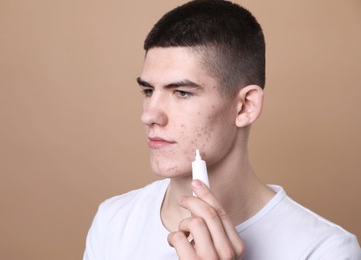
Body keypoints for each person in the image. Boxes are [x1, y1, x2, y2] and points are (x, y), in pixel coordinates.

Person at [84, 0, 361, 259]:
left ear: (244, 107)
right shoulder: (113, 220)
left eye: (181, 92)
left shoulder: (324, 250)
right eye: (148, 90)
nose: (149, 115)